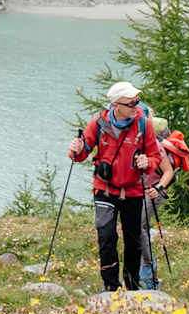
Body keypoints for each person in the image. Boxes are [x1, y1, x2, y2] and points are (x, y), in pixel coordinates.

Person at [68, 82, 162, 292]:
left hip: (134, 190)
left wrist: (149, 163)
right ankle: (111, 286)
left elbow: (155, 157)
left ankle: (132, 284)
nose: (136, 107)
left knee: (133, 240)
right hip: (105, 188)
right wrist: (76, 148)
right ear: (116, 105)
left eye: (137, 102)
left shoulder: (143, 124)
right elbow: (80, 154)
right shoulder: (99, 124)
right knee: (106, 237)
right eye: (131, 104)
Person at [139, 119, 189, 288]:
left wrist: (158, 187)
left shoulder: (154, 144)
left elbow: (169, 172)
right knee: (138, 228)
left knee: (140, 227)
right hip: (140, 190)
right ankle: (143, 274)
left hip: (154, 190)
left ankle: (149, 276)